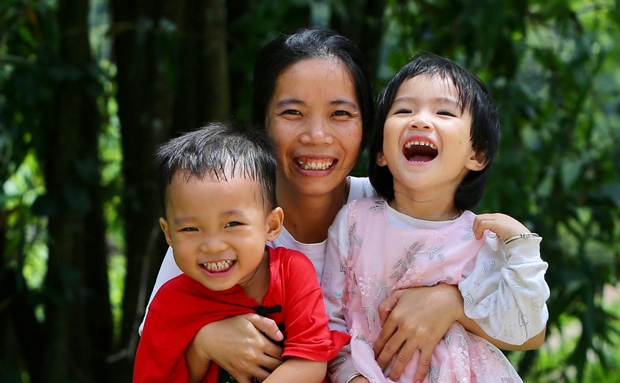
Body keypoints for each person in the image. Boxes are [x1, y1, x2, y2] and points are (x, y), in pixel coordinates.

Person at [143, 29, 546, 383]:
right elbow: (158, 348)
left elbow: (530, 331)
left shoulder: (397, 206)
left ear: (367, 129)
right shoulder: (218, 225)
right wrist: (203, 341)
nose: (316, 135)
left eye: (340, 114)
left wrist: (453, 304)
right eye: (292, 113)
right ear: (263, 124)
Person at [321, 53, 550, 383]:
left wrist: (522, 248)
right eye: (404, 110)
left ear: (477, 154)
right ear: (382, 152)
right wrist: (352, 377)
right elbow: (330, 320)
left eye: (443, 111)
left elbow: (526, 328)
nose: (419, 121)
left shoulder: (480, 239)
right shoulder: (354, 222)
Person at [133, 123, 350, 383]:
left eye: (232, 224)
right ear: (169, 234)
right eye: (191, 228)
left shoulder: (291, 273)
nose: (212, 245)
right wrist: (200, 350)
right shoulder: (169, 305)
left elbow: (311, 362)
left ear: (271, 225)